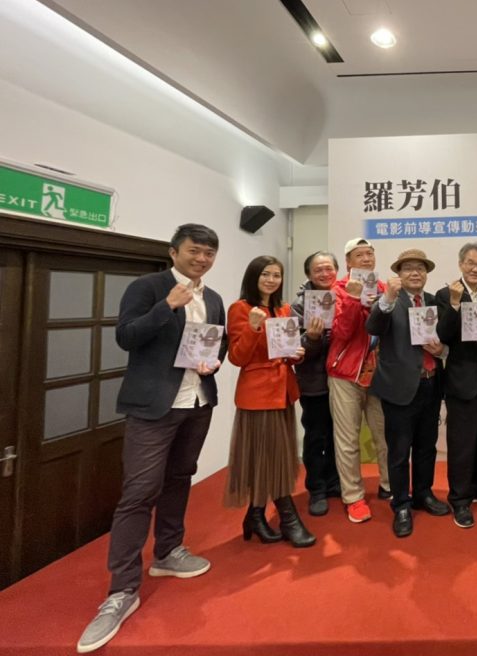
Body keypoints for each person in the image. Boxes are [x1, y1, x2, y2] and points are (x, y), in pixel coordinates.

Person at [77, 224, 225, 654]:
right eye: (195, 251)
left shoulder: (214, 297)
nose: (202, 259)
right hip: (152, 406)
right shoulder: (147, 287)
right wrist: (167, 306)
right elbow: (126, 336)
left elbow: (216, 342)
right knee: (139, 492)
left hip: (197, 401)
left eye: (209, 253)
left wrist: (214, 361)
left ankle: (168, 551)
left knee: (180, 477)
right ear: (174, 252)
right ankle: (121, 590)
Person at [224, 256, 314, 549]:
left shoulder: (283, 308)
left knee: (274, 456)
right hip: (258, 393)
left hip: (284, 391)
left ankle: (255, 515)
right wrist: (252, 327)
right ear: (253, 277)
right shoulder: (240, 308)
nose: (271, 280)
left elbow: (284, 351)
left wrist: (296, 353)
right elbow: (237, 357)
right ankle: (288, 518)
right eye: (265, 274)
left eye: (276, 275)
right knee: (269, 455)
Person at [366, 248, 449, 538]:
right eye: (409, 268)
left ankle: (423, 494)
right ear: (399, 274)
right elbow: (373, 326)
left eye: (420, 268)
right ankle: (401, 504)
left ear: (427, 274)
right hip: (399, 387)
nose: (415, 273)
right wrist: (387, 298)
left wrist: (442, 350)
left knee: (426, 446)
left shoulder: (433, 302)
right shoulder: (389, 301)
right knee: (399, 451)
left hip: (430, 383)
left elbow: (446, 338)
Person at [435, 242, 477, 529]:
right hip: (460, 378)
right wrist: (453, 305)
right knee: (461, 441)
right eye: (471, 263)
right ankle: (460, 498)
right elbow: (442, 335)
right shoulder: (445, 294)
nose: (476, 268)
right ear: (461, 264)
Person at [325, 238, 392, 524]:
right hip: (345, 374)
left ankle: (389, 485)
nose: (366, 259)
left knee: (385, 435)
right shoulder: (337, 290)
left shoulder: (383, 289)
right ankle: (353, 497)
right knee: (347, 440)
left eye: (369, 254)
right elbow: (341, 332)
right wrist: (353, 299)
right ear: (348, 262)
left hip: (379, 375)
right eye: (359, 255)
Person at [290, 251, 341, 516]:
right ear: (309, 274)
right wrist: (312, 338)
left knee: (339, 436)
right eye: (318, 269)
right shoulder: (299, 305)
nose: (324, 274)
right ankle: (317, 488)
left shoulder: (344, 297)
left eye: (328, 268)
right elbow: (295, 351)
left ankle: (334, 482)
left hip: (343, 381)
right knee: (316, 436)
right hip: (314, 382)